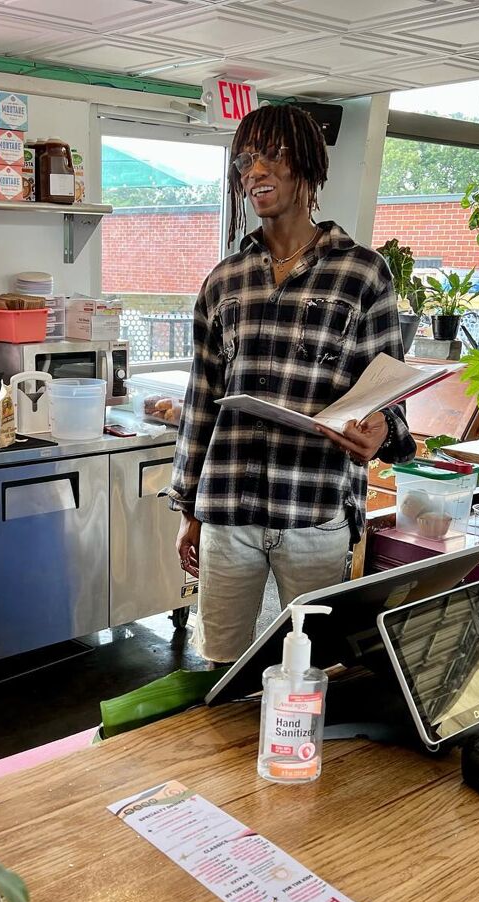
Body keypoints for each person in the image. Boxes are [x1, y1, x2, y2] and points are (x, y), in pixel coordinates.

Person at [166, 104, 417, 666]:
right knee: (223, 667)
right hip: (229, 510)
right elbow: (201, 401)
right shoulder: (224, 282)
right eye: (246, 161)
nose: (255, 172)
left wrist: (381, 429)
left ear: (308, 168)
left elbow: (389, 391)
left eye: (272, 157)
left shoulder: (363, 274)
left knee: (313, 670)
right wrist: (189, 507)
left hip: (314, 511)